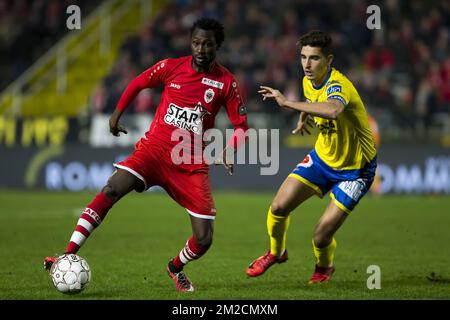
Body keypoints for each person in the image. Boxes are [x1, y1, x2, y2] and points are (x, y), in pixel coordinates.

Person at [44, 18, 249, 292]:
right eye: (196, 42)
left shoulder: (226, 83)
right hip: (153, 151)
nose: (201, 48)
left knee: (204, 239)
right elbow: (139, 82)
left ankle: (175, 267)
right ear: (191, 42)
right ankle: (67, 254)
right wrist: (117, 113)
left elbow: (242, 126)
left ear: (217, 46)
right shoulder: (171, 67)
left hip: (189, 163)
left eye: (208, 44)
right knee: (111, 189)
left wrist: (230, 149)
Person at [246, 30, 377, 284]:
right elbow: (312, 98)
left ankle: (324, 267)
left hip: (356, 170)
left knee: (320, 236)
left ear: (329, 60)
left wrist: (288, 104)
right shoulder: (309, 80)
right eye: (303, 57)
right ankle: (276, 252)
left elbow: (333, 109)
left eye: (314, 58)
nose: (307, 64)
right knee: (278, 207)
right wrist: (303, 117)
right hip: (322, 159)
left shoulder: (339, 86)